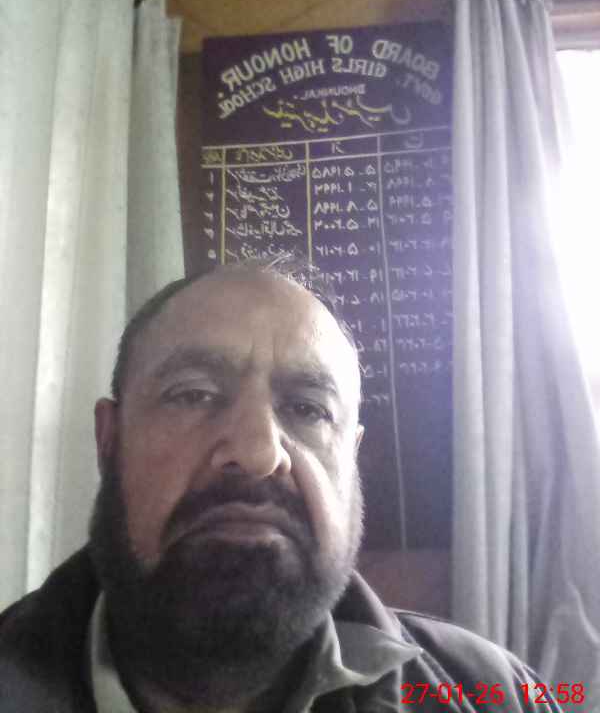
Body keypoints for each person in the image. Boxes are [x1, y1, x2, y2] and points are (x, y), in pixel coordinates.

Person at [0, 256, 563, 713]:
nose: (257, 454)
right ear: (109, 439)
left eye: (308, 409)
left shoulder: (502, 697)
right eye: (193, 394)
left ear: (351, 460)